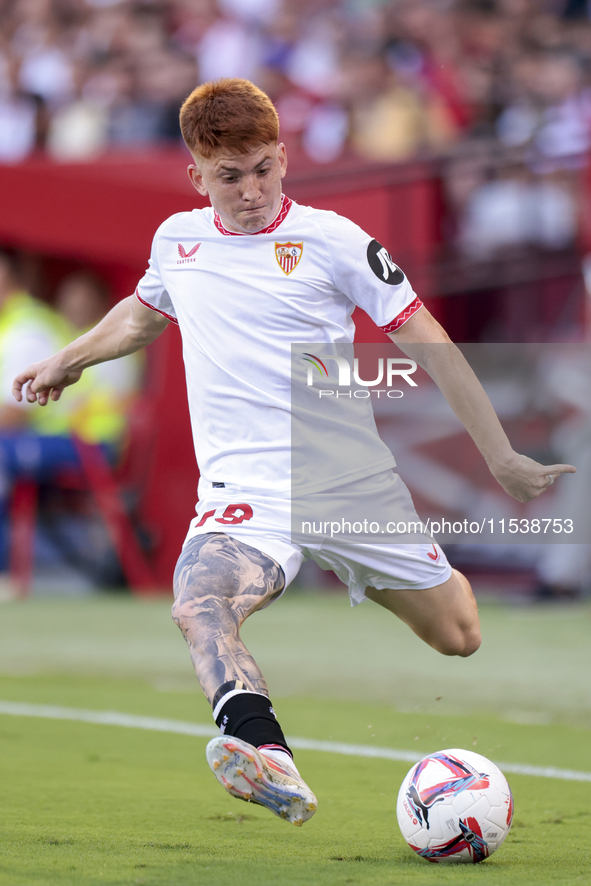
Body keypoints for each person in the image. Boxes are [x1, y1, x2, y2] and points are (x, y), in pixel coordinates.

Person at [13, 78, 576, 826]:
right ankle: (263, 750)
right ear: (196, 176)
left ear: (282, 157)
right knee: (198, 600)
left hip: (342, 481)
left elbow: (433, 345)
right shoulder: (177, 241)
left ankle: (355, 564)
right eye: (229, 177)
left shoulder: (332, 240)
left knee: (458, 635)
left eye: (263, 170)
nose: (250, 191)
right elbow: (144, 314)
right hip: (243, 487)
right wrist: (70, 359)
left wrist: (500, 455)